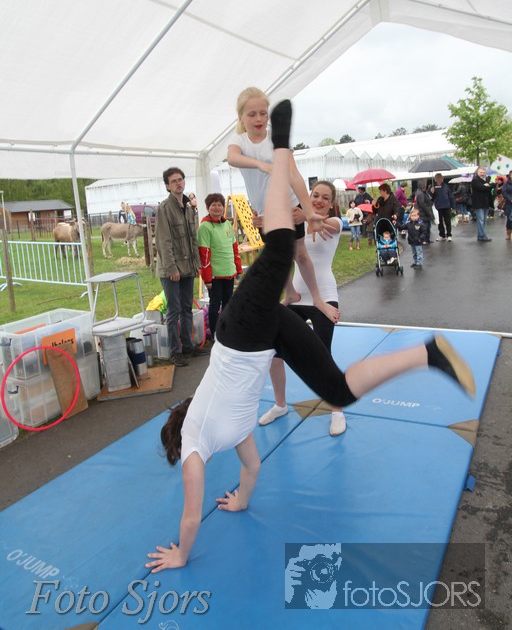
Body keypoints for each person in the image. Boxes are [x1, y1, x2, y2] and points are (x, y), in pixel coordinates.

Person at [146, 100, 475, 572]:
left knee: (281, 245)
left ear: (180, 444)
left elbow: (192, 516)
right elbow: (251, 469)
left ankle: (281, 145)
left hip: (239, 330)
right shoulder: (230, 431)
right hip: (264, 336)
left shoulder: (197, 447)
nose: (186, 466)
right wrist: (241, 500)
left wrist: (181, 554)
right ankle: (429, 354)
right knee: (336, 391)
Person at [227, 87, 339, 324]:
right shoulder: (239, 141)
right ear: (241, 117)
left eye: (263, 113)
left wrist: (308, 211)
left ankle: (317, 299)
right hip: (264, 212)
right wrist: (260, 164)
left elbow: (294, 176)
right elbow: (232, 158)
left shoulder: (276, 141)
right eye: (252, 114)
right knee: (274, 256)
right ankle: (290, 293)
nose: (259, 119)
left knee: (300, 254)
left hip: (288, 205)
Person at [258, 180, 347, 437]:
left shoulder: (333, 223)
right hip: (296, 297)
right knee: (274, 352)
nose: (319, 200)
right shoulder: (296, 224)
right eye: (315, 195)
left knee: (323, 355)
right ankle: (280, 405)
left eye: (325, 198)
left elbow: (326, 223)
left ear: (331, 203)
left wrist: (305, 215)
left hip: (324, 298)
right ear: (308, 196)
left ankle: (337, 410)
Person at [156, 167, 209, 367]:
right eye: (174, 181)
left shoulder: (188, 207)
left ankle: (188, 346)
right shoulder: (164, 209)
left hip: (187, 267)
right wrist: (172, 269)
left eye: (180, 180)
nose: (178, 183)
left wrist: (196, 264)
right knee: (174, 310)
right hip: (172, 270)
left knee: (187, 308)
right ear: (167, 186)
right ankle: (175, 352)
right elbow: (164, 241)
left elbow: (192, 239)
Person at [197, 193, 243, 336]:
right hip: (215, 275)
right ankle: (215, 334)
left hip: (229, 272)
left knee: (228, 304)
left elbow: (234, 249)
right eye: (213, 205)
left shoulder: (227, 224)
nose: (216, 208)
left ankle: (227, 331)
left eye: (219, 205)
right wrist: (207, 279)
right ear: (207, 208)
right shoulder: (204, 227)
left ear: (223, 207)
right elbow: (204, 254)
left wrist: (238, 269)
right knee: (215, 305)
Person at [430, 173, 456, 242]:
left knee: (448, 221)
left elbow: (451, 196)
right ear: (435, 179)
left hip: (447, 206)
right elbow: (430, 198)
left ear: (442, 179)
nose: (439, 180)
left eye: (440, 178)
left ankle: (449, 235)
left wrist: (453, 206)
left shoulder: (446, 186)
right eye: (437, 179)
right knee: (440, 222)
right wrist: (431, 192)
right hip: (438, 207)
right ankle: (442, 235)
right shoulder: (432, 187)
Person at [471, 166, 493, 242]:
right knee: (481, 220)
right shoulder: (475, 180)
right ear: (477, 172)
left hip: (485, 203)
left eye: (484, 172)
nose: (482, 174)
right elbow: (482, 188)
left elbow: (491, 186)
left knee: (484, 220)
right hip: (478, 203)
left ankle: (480, 235)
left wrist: (488, 185)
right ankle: (482, 235)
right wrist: (487, 186)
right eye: (481, 172)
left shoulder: (485, 180)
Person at [501, 170, 512, 240]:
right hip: (509, 204)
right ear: (510, 175)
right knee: (510, 220)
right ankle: (508, 234)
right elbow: (504, 192)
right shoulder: (506, 184)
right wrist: (510, 198)